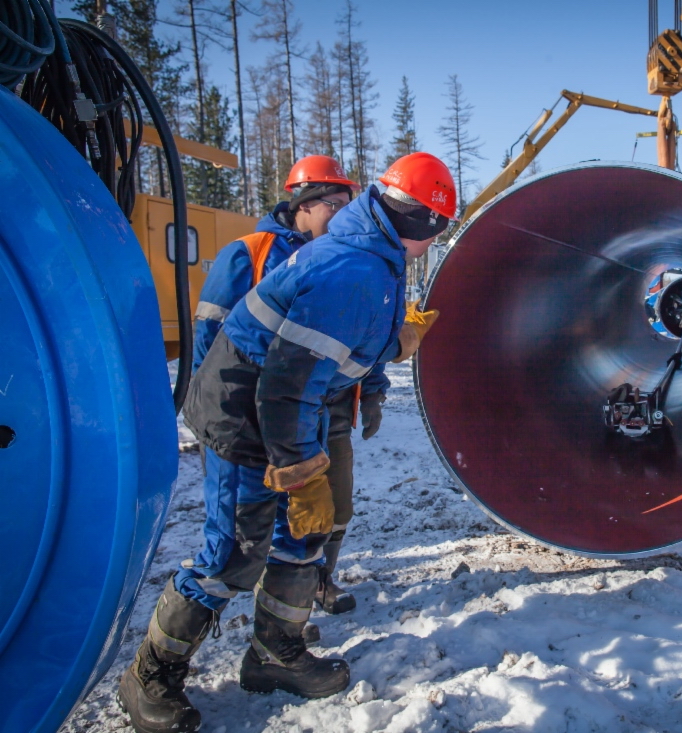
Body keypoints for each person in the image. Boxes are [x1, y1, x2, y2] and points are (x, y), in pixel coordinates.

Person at [117, 152, 455, 733]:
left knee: (303, 533)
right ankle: (150, 674)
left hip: (289, 403)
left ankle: (276, 653)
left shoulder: (380, 258)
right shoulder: (353, 269)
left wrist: (386, 361)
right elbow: (284, 384)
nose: (434, 244)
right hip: (245, 409)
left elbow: (346, 348)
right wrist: (299, 474)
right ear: (421, 224)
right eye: (438, 231)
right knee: (233, 554)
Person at [191, 155, 386, 616]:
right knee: (242, 536)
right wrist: (215, 423)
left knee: (321, 515)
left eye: (348, 204)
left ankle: (303, 599)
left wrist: (374, 388)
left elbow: (364, 334)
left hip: (324, 411)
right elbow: (210, 342)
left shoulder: (346, 259)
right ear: (303, 203)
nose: (343, 215)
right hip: (255, 419)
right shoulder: (249, 253)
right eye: (334, 204)